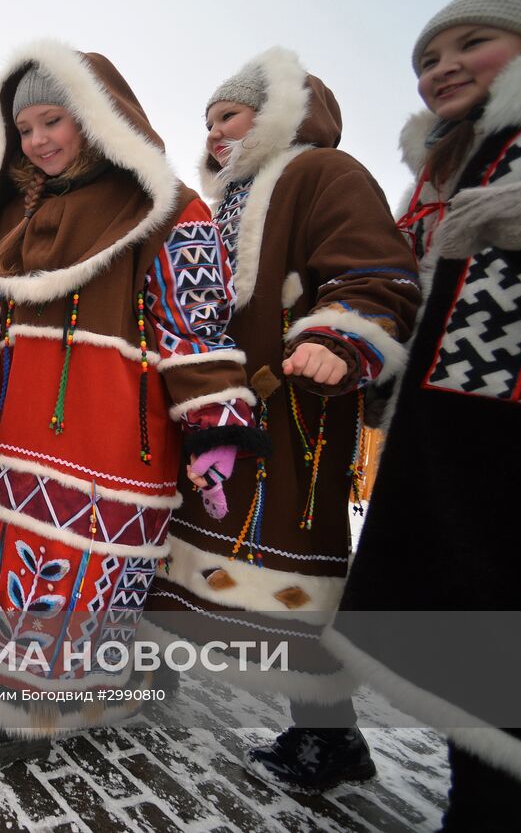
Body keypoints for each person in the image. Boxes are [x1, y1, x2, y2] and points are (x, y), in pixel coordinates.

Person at [0, 42, 265, 768]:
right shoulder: (20, 213)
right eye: (25, 129)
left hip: (116, 443)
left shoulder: (168, 207)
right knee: (13, 572)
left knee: (82, 586)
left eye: (53, 121)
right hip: (25, 438)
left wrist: (214, 430)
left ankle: (40, 716)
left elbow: (195, 328)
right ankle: (4, 698)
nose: (38, 140)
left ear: (96, 118)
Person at [322, 0, 521, 830]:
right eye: (427, 58)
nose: (442, 68)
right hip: (470, 446)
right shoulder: (459, 160)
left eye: (474, 42)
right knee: (490, 677)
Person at [141, 48, 421, 793]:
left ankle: (329, 738)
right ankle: (152, 675)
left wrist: (338, 337)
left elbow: (377, 271)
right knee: (176, 553)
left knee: (293, 570)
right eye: (206, 120)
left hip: (292, 409)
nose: (214, 131)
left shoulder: (325, 173)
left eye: (228, 114)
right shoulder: (219, 201)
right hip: (212, 411)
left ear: (275, 116)